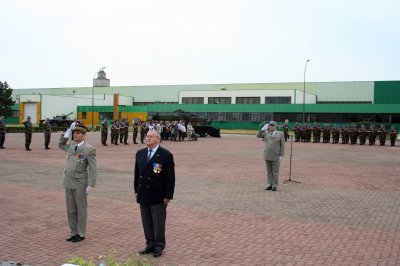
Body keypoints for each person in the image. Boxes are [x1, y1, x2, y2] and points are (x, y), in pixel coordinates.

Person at [134, 129, 175, 258]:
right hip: (144, 194)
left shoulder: (165, 155)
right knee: (146, 221)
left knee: (158, 222)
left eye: (151, 137)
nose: (148, 139)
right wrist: (136, 190)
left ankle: (159, 245)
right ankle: (150, 243)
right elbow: (137, 174)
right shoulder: (140, 153)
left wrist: (168, 196)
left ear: (158, 139)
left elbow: (170, 178)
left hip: (158, 195)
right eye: (147, 136)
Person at [58, 122, 97, 243]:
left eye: (78, 133)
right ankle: (73, 232)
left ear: (84, 135)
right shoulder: (71, 145)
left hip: (80, 183)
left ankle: (81, 233)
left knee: (81, 209)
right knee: (71, 209)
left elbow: (93, 168)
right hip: (68, 181)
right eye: (74, 133)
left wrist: (91, 184)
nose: (76, 135)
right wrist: (67, 132)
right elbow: (60, 144)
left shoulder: (89, 149)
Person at [257, 121, 285, 191]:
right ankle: (269, 184)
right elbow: (258, 135)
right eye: (270, 125)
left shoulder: (280, 134)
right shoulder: (266, 133)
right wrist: (262, 129)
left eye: (272, 125)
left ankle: (274, 185)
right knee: (269, 171)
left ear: (275, 126)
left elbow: (282, 146)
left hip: (276, 155)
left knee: (275, 172)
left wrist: (281, 155)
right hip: (267, 155)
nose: (271, 127)